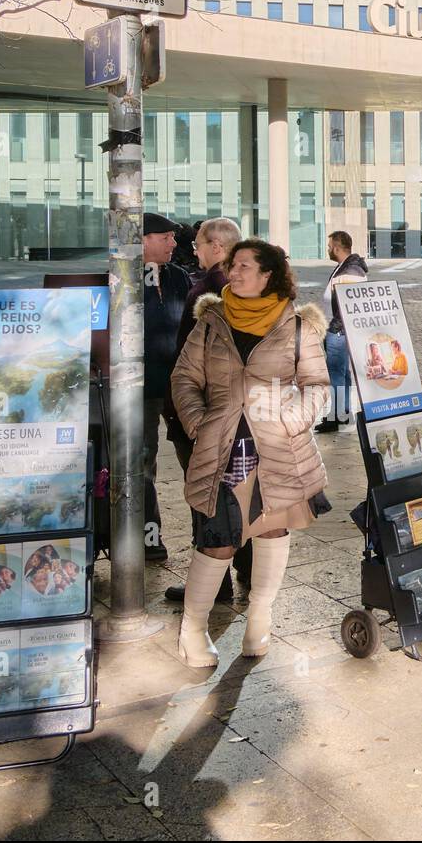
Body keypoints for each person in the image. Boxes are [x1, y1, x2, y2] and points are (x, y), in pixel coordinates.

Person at [170, 239, 330, 666]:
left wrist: (289, 422)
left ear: (268, 276)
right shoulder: (211, 321)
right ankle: (193, 629)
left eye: (243, 266)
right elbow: (184, 379)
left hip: (277, 451)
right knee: (217, 541)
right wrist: (199, 423)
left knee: (273, 531)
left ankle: (260, 618)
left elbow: (317, 387)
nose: (233, 273)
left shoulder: (298, 326)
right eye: (231, 265)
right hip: (221, 449)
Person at [164, 216, 248, 605]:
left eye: (198, 246)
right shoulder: (250, 288)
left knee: (206, 500)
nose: (194, 253)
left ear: (217, 247)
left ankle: (214, 585)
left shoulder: (209, 292)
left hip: (206, 419)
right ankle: (245, 572)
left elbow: (193, 365)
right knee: (242, 494)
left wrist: (193, 422)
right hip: (239, 420)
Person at [142, 212, 192, 563]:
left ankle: (207, 538)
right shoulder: (121, 278)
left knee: (195, 458)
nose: (174, 244)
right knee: (142, 463)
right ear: (144, 239)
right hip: (140, 389)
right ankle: (150, 537)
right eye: (166, 238)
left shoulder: (180, 277)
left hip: (179, 385)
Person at [316, 230, 366, 434]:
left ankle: (337, 415)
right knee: (342, 373)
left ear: (337, 248)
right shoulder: (344, 268)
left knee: (336, 373)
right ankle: (343, 411)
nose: (328, 250)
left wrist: (335, 328)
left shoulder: (350, 272)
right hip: (339, 329)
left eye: (329, 247)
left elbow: (348, 305)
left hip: (339, 330)